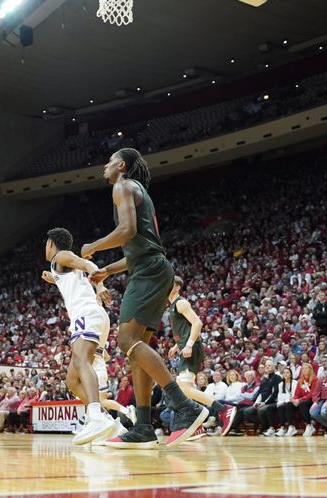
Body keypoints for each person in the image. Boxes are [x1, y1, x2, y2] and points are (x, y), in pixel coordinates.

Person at [81, 148, 208, 448]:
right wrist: (108, 271)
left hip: (149, 271)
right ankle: (143, 426)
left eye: (110, 160)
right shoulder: (138, 191)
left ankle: (184, 407)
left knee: (126, 341)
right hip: (153, 267)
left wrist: (93, 247)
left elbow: (127, 230)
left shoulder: (122, 185)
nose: (106, 165)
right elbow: (140, 245)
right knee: (136, 348)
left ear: (121, 165)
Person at [40, 227, 118, 445]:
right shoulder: (61, 267)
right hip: (93, 316)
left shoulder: (61, 255)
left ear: (51, 244)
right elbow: (77, 278)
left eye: (46, 244)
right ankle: (109, 421)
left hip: (86, 313)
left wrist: (101, 285)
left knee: (82, 361)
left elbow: (89, 265)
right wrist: (54, 280)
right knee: (72, 381)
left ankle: (95, 416)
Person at [166, 276, 236, 436]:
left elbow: (197, 323)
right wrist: (178, 345)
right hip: (185, 346)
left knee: (183, 388)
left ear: (176, 287)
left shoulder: (180, 303)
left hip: (192, 347)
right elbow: (185, 327)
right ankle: (195, 426)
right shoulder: (172, 306)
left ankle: (223, 409)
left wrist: (189, 344)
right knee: (183, 390)